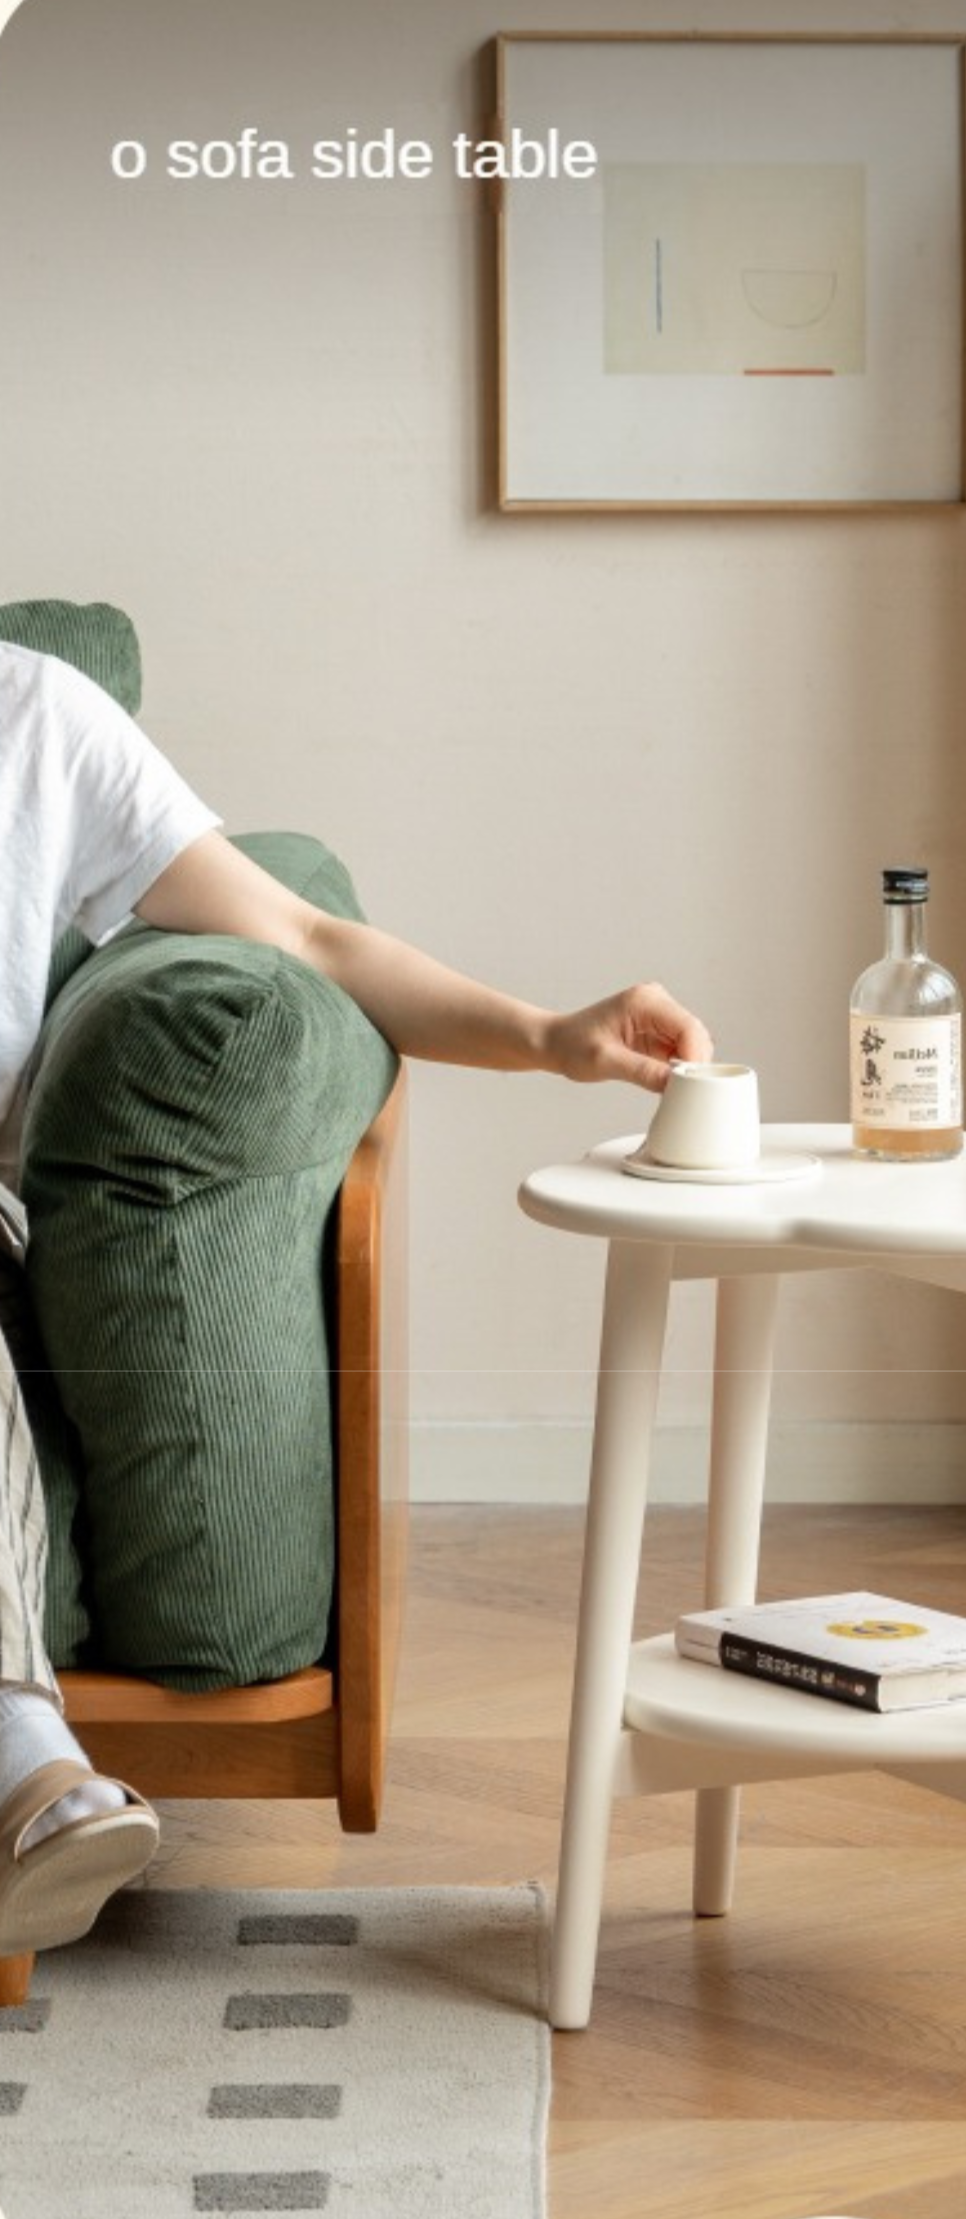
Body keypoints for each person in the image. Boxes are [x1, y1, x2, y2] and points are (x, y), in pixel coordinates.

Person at [0, 633, 712, 1958]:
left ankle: (19, 1763)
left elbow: (306, 934)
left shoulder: (31, 717)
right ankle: (24, 1763)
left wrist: (552, 1039)